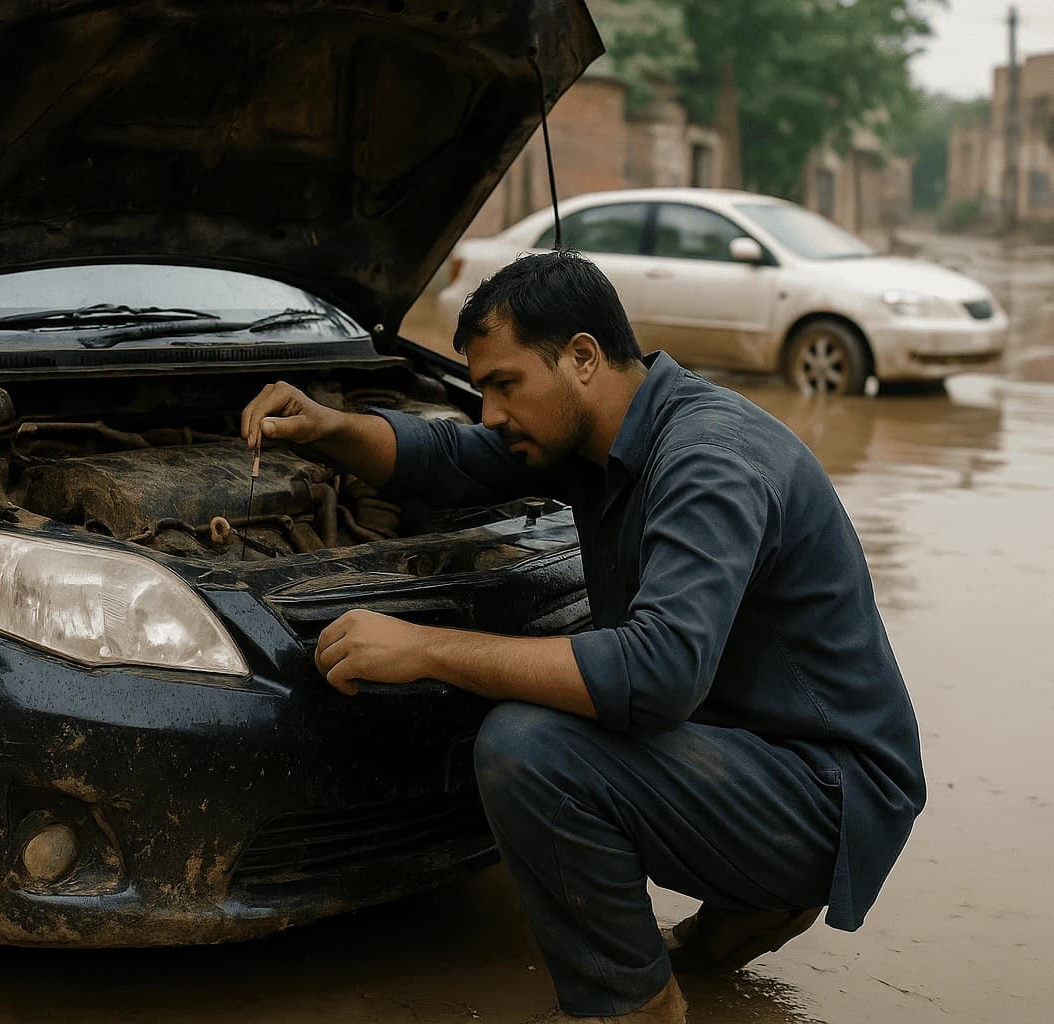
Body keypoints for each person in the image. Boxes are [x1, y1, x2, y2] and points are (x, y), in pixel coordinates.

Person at [239, 250, 926, 1023]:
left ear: (583, 358)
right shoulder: (596, 437)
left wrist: (427, 647)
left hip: (829, 794)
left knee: (529, 747)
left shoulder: (708, 459)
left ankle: (631, 1005)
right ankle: (737, 918)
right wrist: (330, 427)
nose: (492, 411)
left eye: (505, 384)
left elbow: (659, 673)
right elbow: (450, 456)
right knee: (536, 699)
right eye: (482, 388)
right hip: (758, 744)